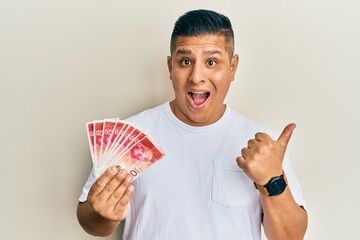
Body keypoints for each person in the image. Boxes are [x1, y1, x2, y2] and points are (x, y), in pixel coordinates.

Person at [77, 9, 308, 240]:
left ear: (233, 67)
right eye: (185, 61)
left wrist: (272, 180)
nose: (196, 76)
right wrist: (102, 216)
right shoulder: (131, 136)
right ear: (170, 67)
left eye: (211, 62)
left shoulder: (262, 143)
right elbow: (91, 222)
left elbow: (290, 237)